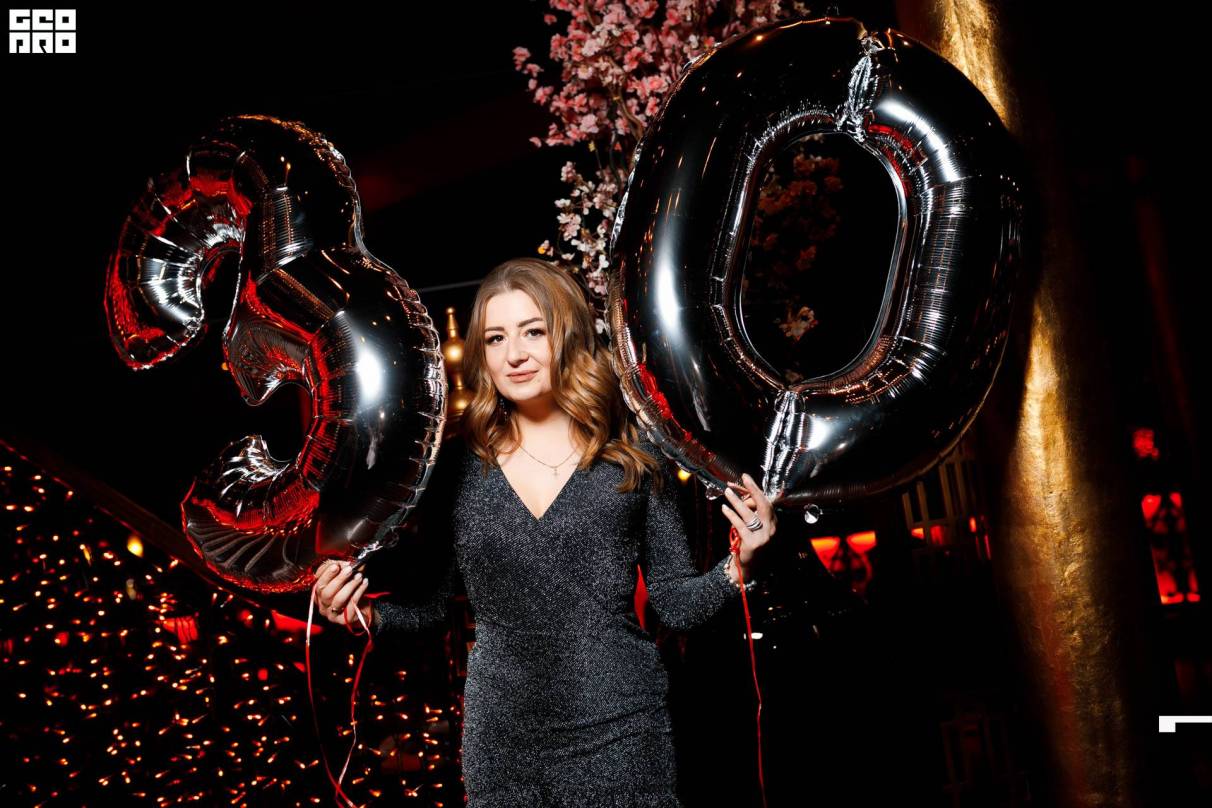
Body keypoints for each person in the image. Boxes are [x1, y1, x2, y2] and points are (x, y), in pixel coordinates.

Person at [312, 257, 775, 807]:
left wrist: (739, 566)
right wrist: (361, 614)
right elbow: (433, 608)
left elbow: (675, 604)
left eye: (533, 331)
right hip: (502, 740)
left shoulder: (634, 456)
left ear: (569, 336)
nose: (514, 354)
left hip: (622, 731)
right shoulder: (454, 466)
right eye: (496, 338)